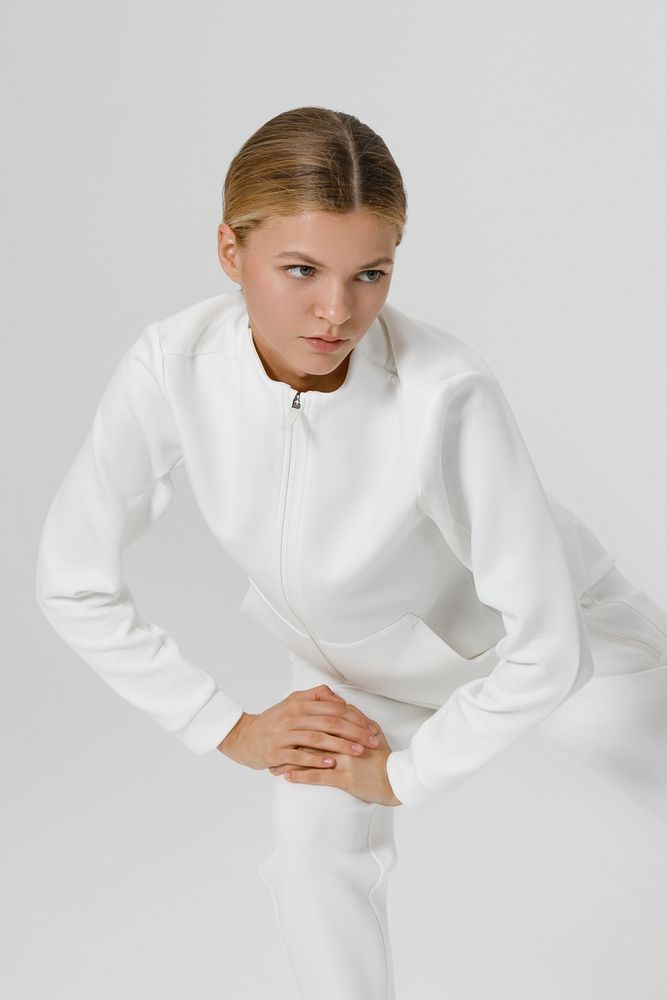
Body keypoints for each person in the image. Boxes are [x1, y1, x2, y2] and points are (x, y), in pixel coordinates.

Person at [35, 106, 667, 999]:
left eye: (370, 274)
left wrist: (407, 775)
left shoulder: (444, 392)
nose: (337, 312)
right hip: (360, 671)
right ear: (230, 251)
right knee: (309, 850)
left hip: (563, 646)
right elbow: (71, 581)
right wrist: (226, 726)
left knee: (626, 744)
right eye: (300, 270)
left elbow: (548, 646)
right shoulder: (171, 366)